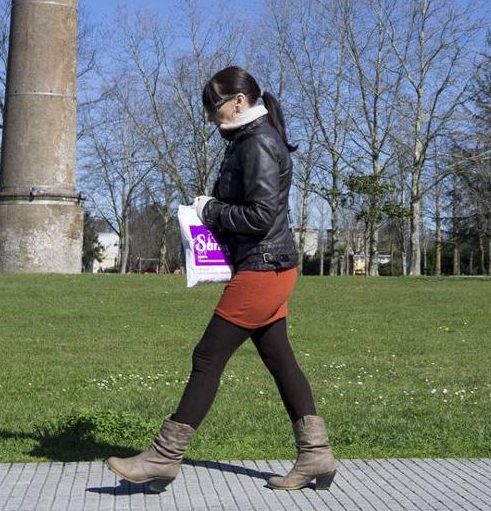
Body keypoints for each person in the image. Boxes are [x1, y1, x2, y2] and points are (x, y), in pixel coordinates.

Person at [105, 66, 336, 493]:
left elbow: (261, 215)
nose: (212, 117)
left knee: (207, 357)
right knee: (280, 359)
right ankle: (316, 454)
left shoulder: (259, 143)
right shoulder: (249, 140)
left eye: (215, 107)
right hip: (268, 265)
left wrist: (211, 210)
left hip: (264, 268)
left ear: (239, 101)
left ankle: (162, 458)